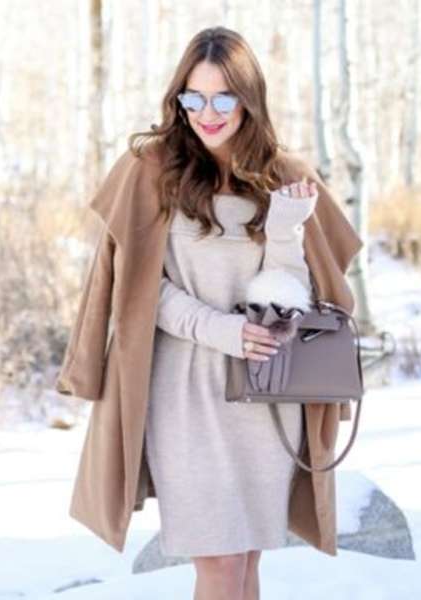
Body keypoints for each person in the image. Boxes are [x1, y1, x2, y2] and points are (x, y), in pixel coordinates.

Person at [127, 27, 319, 600]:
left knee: (247, 558)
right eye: (194, 97)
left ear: (248, 99)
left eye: (222, 98)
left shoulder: (282, 175)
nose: (206, 114)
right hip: (186, 390)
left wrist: (285, 229)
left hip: (261, 392)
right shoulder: (152, 170)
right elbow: (141, 290)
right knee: (220, 560)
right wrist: (223, 330)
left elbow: (291, 295)